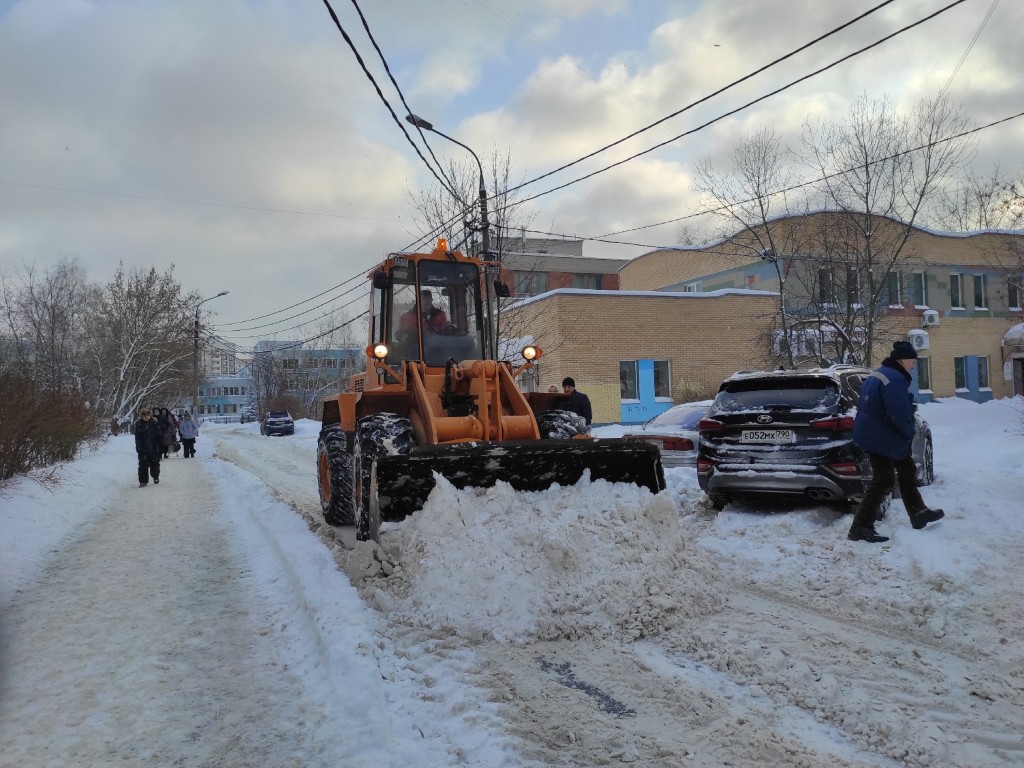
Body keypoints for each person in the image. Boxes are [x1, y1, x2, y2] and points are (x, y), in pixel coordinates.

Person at [847, 340, 944, 543]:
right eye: (912, 360)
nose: (914, 365)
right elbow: (897, 412)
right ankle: (860, 526)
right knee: (883, 479)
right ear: (902, 359)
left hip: (876, 433)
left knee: (906, 469)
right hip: (882, 436)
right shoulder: (895, 378)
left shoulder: (880, 373)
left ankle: (918, 513)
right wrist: (909, 431)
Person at [133, 407, 162, 487]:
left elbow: (159, 436)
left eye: (147, 415)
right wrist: (139, 449)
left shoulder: (154, 423)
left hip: (154, 449)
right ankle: (143, 481)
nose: (146, 417)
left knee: (155, 465)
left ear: (150, 415)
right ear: (141, 416)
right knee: (142, 466)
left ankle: (155, 476)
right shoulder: (139, 425)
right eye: (144, 415)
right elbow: (137, 439)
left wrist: (160, 447)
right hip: (143, 450)